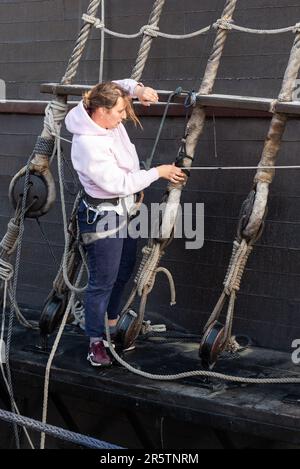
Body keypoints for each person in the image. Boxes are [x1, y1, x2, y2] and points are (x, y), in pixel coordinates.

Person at [65, 79, 185, 366]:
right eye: (119, 111)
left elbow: (116, 84)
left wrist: (138, 90)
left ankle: (111, 322)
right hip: (103, 216)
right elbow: (119, 183)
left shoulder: (105, 117)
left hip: (124, 210)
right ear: (101, 111)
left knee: (124, 269)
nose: (123, 116)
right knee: (102, 281)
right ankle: (96, 342)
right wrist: (159, 172)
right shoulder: (87, 144)